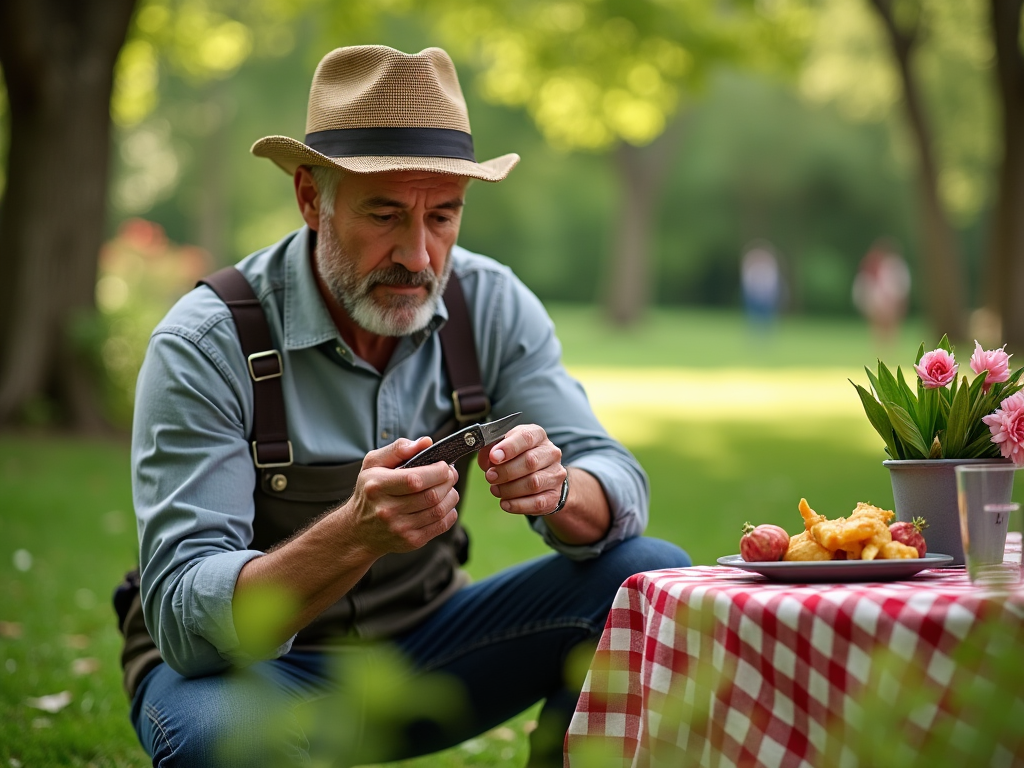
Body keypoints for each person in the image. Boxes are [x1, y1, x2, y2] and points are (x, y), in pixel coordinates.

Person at [120, 44, 690, 767]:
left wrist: (564, 488)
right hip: (246, 676)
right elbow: (182, 623)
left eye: (443, 217)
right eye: (385, 215)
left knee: (646, 576)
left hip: (434, 656)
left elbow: (614, 475)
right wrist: (353, 534)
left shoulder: (490, 302)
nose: (418, 256)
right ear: (309, 197)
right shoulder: (208, 342)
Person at [851, 238, 911, 346]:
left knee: (890, 324)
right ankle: (881, 345)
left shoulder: (893, 266)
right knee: (880, 324)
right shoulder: (874, 265)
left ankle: (888, 345)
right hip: (879, 299)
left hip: (888, 299)